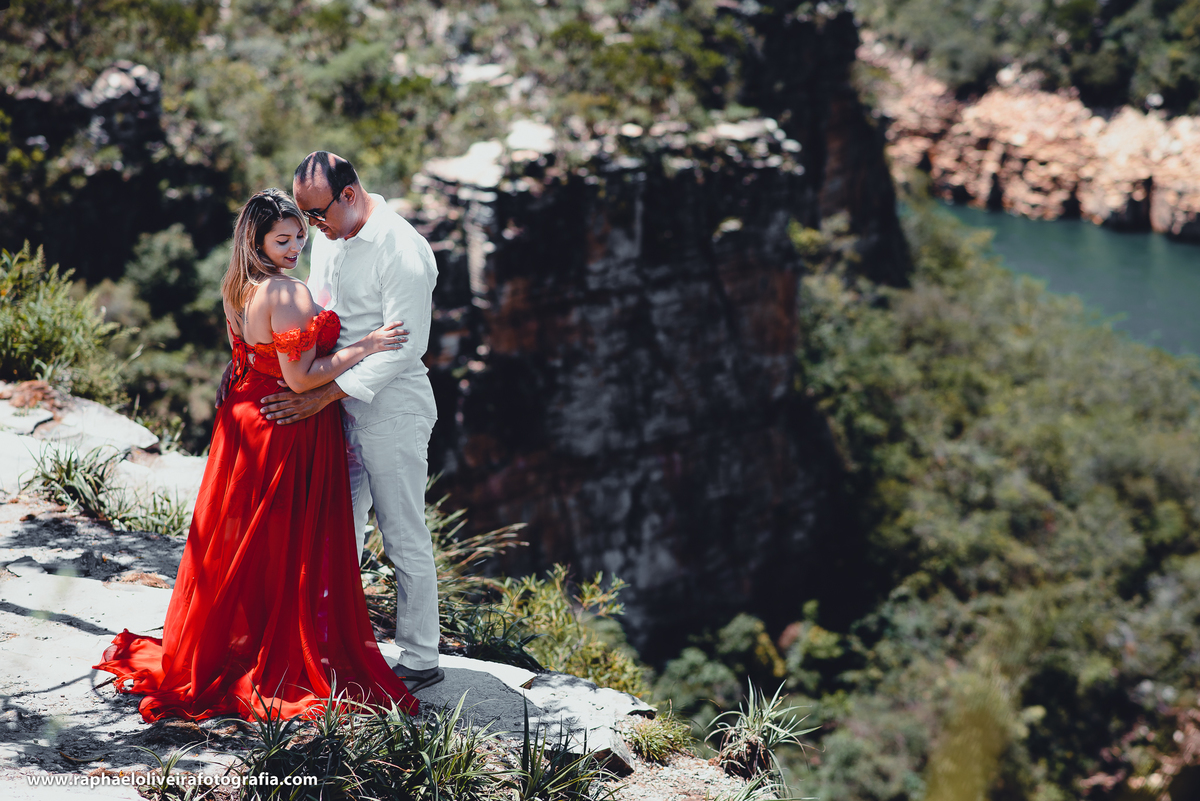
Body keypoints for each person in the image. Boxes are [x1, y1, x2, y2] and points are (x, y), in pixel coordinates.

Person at [93, 188, 418, 722]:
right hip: (286, 427)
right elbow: (301, 377)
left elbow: (245, 350)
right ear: (258, 240)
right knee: (285, 543)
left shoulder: (237, 284)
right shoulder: (288, 294)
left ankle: (237, 640)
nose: (296, 248)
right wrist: (366, 345)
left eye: (299, 237)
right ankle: (275, 648)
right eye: (283, 239)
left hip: (246, 417)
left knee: (250, 541)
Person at [256, 152, 444, 693]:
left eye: (316, 214)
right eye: (304, 217)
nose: (310, 228)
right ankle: (331, 642)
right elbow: (322, 315)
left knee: (401, 530)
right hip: (335, 404)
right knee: (336, 529)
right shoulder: (331, 237)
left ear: (348, 194)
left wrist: (323, 393)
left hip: (392, 408)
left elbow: (407, 348)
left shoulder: (400, 246)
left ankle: (420, 655)